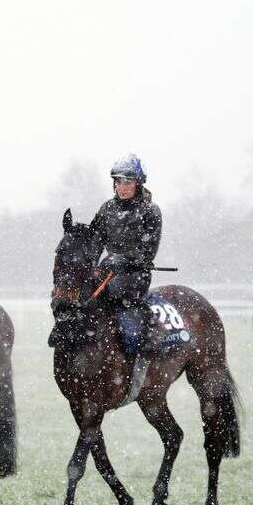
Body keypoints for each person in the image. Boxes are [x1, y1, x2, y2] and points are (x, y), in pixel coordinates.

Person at [90, 153, 162, 368]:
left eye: (128, 182)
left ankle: (143, 345)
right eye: (118, 181)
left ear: (138, 183)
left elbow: (148, 252)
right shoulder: (106, 209)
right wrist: (91, 266)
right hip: (107, 272)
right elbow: (95, 245)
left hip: (135, 276)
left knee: (116, 292)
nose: (122, 187)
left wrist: (120, 260)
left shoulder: (150, 211)